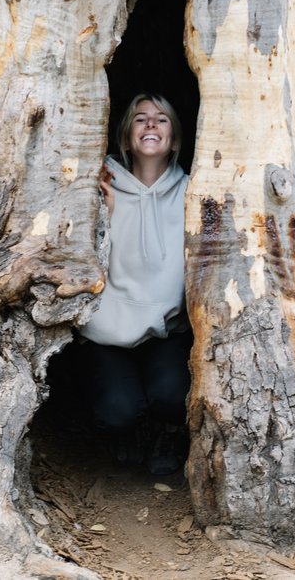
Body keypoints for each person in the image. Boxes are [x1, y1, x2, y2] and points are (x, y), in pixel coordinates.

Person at [78, 92, 191, 475]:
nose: (151, 125)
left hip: (168, 329)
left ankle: (165, 430)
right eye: (141, 119)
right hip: (108, 329)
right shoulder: (101, 187)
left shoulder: (192, 192)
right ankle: (129, 429)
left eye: (162, 119)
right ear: (127, 137)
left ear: (174, 139)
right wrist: (105, 216)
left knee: (173, 396)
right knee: (117, 411)